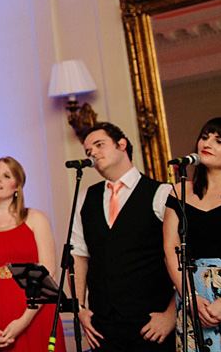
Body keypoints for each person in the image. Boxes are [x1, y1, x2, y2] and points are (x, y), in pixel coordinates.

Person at [72, 122, 176, 351]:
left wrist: (172, 314)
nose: (93, 153)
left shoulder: (162, 193)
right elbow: (79, 255)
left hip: (151, 324)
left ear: (122, 144)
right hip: (104, 326)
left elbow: (181, 260)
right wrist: (79, 306)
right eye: (88, 151)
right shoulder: (85, 198)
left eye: (99, 145)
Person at [0, 157, 65, 351]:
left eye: (6, 175)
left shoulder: (36, 218)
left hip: (35, 311)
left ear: (17, 186)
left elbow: (49, 273)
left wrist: (23, 321)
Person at [163, 117, 221, 351]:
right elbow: (170, 248)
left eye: (218, 141)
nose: (207, 144)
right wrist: (189, 296)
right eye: (204, 137)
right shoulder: (180, 190)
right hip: (191, 287)